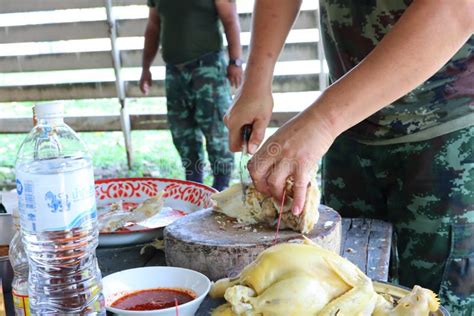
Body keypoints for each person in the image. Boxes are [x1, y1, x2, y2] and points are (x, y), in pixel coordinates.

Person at [225, 0, 473, 314]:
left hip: (450, 139)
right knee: (337, 296)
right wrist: (256, 80)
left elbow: (457, 8)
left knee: (437, 304)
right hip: (349, 131)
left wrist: (321, 121)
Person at [140, 0, 243, 191]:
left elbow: (230, 19)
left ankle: (221, 186)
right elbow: (153, 26)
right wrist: (145, 68)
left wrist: (235, 61)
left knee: (215, 129)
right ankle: (193, 185)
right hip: (174, 71)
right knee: (182, 131)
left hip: (208, 67)